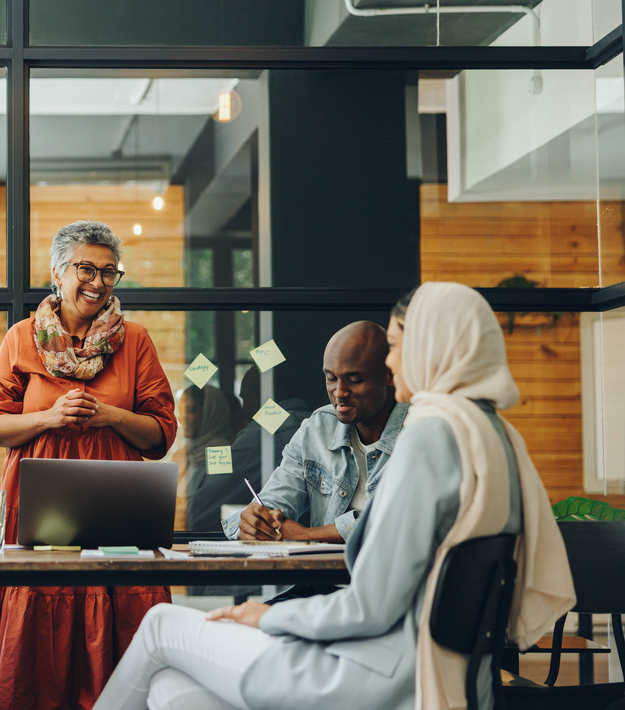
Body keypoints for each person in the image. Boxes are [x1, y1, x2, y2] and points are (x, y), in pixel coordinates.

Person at [93, 282, 576, 710]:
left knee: (159, 625)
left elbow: (371, 606)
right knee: (172, 694)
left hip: (372, 672)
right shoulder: (492, 433)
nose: (391, 361)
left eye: (397, 345)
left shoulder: (431, 434)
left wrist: (269, 618)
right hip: (433, 667)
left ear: (433, 346)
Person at [0, 220, 178, 710]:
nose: (98, 282)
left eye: (109, 272)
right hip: (38, 502)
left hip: (116, 505)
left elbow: (161, 434)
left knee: (117, 602)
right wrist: (48, 417)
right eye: (87, 268)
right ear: (57, 272)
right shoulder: (21, 338)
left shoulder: (136, 340)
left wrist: (109, 416)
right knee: (40, 604)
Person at [224, 321, 408, 543]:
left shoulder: (419, 432)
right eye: (331, 378)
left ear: (390, 375)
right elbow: (273, 504)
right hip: (320, 577)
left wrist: (307, 534)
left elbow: (398, 521)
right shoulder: (316, 428)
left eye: (355, 380)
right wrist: (256, 521)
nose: (339, 392)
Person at [185, 366, 312, 535]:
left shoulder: (261, 435)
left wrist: (178, 517)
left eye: (245, 398)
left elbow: (204, 506)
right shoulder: (312, 426)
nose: (243, 409)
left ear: (260, 393)